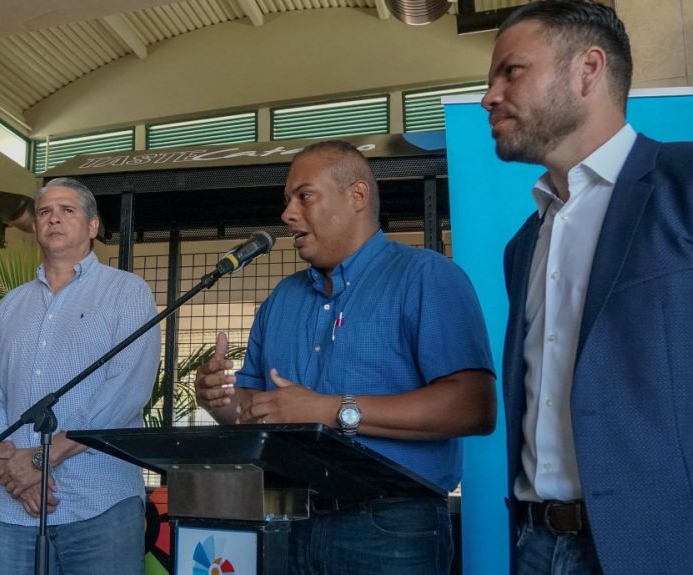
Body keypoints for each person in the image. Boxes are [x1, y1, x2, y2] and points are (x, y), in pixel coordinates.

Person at [194, 140, 496, 575]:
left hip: (390, 525)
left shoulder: (427, 276)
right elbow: (254, 408)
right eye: (287, 201)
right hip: (287, 519)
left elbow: (474, 406)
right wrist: (220, 400)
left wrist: (330, 410)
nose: (288, 215)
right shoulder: (282, 299)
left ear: (357, 196)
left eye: (305, 196)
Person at [482, 1, 693, 573]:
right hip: (534, 544)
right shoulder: (522, 245)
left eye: (511, 71)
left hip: (660, 545)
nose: (489, 96)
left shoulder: (686, 184)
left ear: (588, 70)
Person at [0, 177, 161, 575]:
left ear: (92, 227)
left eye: (67, 210)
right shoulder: (10, 305)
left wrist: (41, 459)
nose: (53, 218)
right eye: (44, 212)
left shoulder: (127, 293)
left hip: (99, 504)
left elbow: (126, 391)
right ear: (36, 228)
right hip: (17, 508)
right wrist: (9, 464)